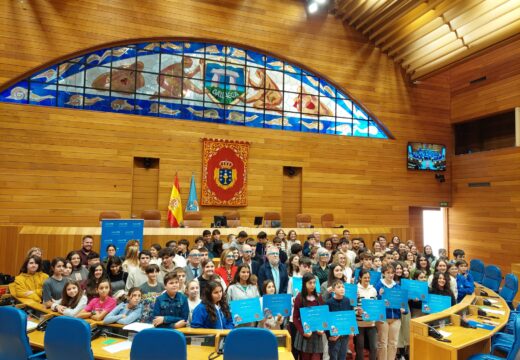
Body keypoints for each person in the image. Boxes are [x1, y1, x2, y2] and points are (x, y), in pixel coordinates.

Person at [375, 264, 406, 360]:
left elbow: (403, 302)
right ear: (383, 273)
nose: (390, 275)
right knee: (383, 343)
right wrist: (379, 296)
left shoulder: (397, 286)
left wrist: (404, 310)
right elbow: (374, 304)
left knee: (393, 343)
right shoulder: (378, 285)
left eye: (392, 273)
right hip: (383, 318)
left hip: (396, 318)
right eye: (388, 273)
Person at [293, 272, 325, 360]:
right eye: (310, 283)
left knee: (316, 357)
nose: (312, 285)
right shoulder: (299, 297)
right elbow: (295, 318)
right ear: (304, 284)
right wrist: (303, 332)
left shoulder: (318, 297)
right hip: (306, 334)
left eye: (314, 282)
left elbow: (323, 315)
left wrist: (322, 329)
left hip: (317, 334)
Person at [326, 279, 354, 360]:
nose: (342, 289)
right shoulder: (329, 303)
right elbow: (326, 321)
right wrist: (329, 336)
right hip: (334, 336)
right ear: (333, 290)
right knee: (333, 356)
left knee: (343, 356)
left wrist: (352, 330)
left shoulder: (347, 300)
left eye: (343, 287)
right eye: (339, 287)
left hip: (345, 335)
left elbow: (350, 316)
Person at [356, 269, 377, 360]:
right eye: (365, 278)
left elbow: (376, 305)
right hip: (359, 323)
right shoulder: (355, 289)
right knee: (360, 347)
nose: (367, 279)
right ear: (360, 278)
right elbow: (351, 305)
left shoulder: (373, 289)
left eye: (368, 278)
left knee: (374, 347)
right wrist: (357, 311)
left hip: (371, 323)